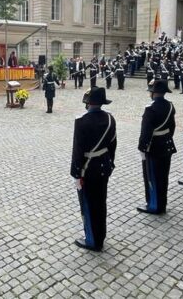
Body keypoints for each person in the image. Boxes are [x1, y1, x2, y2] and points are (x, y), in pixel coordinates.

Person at [71, 87, 116, 252]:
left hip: (88, 170)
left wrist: (76, 173)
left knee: (89, 205)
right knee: (101, 203)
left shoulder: (82, 121)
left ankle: (92, 240)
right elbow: (112, 145)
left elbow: (78, 151)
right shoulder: (110, 119)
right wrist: (110, 163)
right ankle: (101, 236)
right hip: (104, 166)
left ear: (88, 103)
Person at [137, 80, 176, 215]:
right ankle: (162, 203)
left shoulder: (150, 109)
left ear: (153, 93)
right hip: (166, 144)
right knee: (163, 176)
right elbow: (172, 127)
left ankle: (154, 205)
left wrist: (142, 148)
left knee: (152, 176)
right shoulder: (170, 106)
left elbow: (146, 132)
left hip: (153, 147)